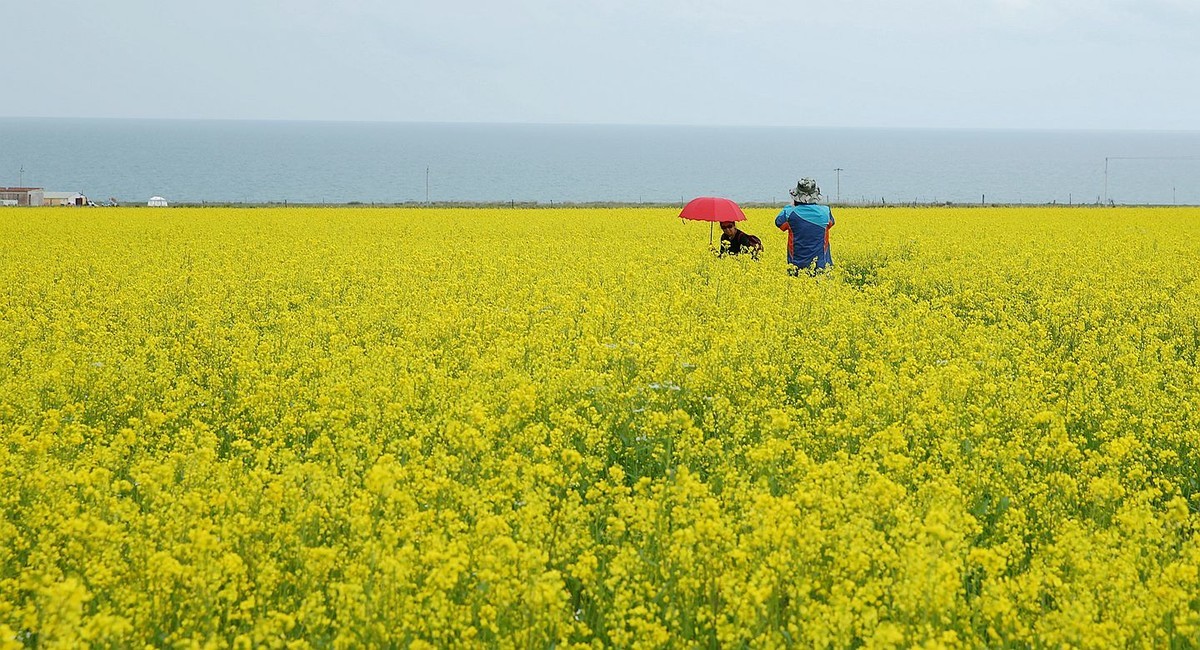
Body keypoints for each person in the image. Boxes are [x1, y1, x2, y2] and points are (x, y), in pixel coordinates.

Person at [775, 178, 834, 274]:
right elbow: (831, 223)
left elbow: (779, 223)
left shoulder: (789, 213)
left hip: (796, 268)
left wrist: (790, 206)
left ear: (796, 195)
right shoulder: (826, 212)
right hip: (822, 267)